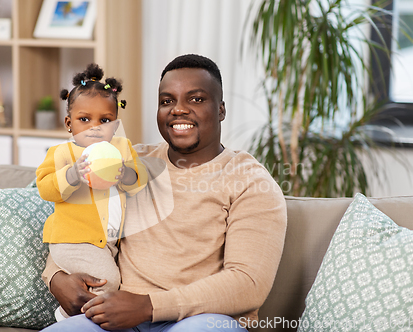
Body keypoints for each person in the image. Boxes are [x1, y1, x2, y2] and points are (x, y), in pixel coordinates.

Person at [41, 54, 287, 331]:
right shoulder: (129, 163)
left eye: (196, 99)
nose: (178, 110)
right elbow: (77, 220)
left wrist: (148, 306)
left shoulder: (251, 181)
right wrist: (56, 277)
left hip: (199, 319)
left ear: (220, 109)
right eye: (167, 101)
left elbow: (248, 283)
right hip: (114, 318)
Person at [36, 63, 147, 322]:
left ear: (116, 125)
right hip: (74, 240)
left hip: (107, 242)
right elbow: (45, 187)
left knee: (113, 283)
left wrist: (126, 174)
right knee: (107, 283)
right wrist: (72, 175)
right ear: (69, 123)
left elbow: (139, 179)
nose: (94, 128)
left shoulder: (121, 148)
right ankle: (65, 318)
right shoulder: (62, 152)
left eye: (105, 120)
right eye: (84, 119)